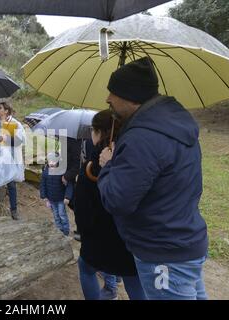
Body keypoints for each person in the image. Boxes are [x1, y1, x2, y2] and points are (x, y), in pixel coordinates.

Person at [98, 57, 208, 300]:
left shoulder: (143, 138)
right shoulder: (173, 125)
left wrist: (107, 166)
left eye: (113, 93)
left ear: (131, 96)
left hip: (163, 253)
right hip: (185, 242)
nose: (107, 99)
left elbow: (117, 201)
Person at [75, 109, 146, 300]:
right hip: (129, 239)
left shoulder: (92, 164)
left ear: (98, 132)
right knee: (133, 278)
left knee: (85, 268)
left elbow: (81, 206)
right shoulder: (136, 156)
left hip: (98, 238)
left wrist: (85, 232)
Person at [40, 152, 73, 236]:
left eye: (53, 161)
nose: (51, 163)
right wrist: (44, 196)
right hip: (51, 199)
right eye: (49, 161)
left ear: (57, 161)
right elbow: (43, 185)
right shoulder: (45, 172)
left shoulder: (62, 172)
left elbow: (69, 185)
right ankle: (59, 230)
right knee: (56, 215)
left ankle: (66, 231)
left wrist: (67, 197)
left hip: (61, 199)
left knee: (62, 214)